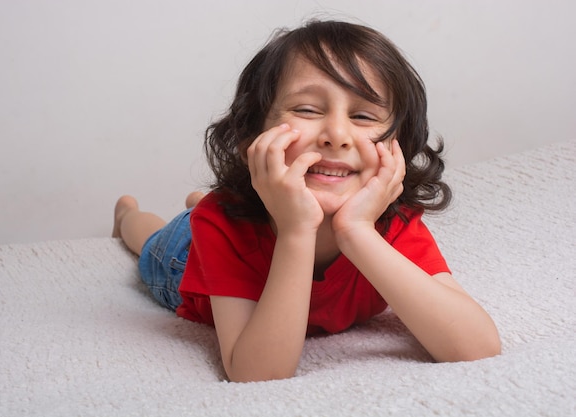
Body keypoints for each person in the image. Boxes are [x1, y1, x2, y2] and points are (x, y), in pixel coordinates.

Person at [112, 19, 501, 382]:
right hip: (186, 255)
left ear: (399, 147)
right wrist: (298, 230)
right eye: (307, 110)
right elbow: (256, 374)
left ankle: (192, 203)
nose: (336, 134)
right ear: (252, 138)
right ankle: (129, 215)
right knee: (156, 239)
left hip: (256, 218)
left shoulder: (394, 223)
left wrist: (357, 231)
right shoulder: (222, 225)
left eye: (364, 116)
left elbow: (477, 347)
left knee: (199, 210)